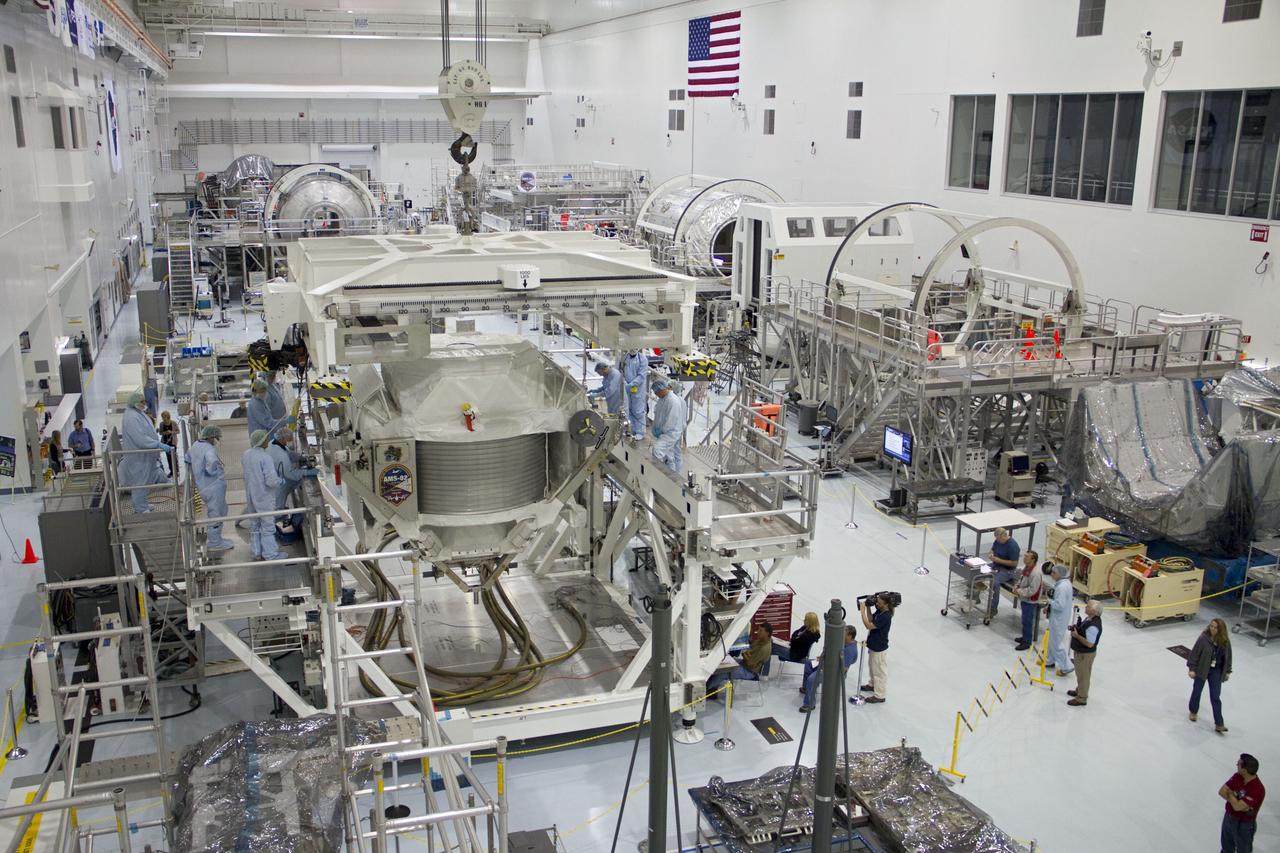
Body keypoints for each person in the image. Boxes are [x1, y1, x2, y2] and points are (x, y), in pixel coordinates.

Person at [121, 390, 171, 514]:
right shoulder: (131, 417)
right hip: (138, 457)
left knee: (145, 481)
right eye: (142, 401)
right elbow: (140, 438)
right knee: (140, 482)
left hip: (145, 456)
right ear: (134, 402)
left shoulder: (137, 412)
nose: (144, 403)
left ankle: (143, 504)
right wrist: (157, 444)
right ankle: (140, 508)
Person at [185, 425, 234, 551]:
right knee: (217, 513)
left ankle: (216, 539)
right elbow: (211, 462)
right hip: (213, 486)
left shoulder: (195, 445)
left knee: (218, 510)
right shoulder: (209, 449)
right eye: (216, 438)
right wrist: (211, 472)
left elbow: (187, 458)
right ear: (211, 437)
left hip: (203, 486)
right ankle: (215, 542)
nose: (217, 440)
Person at [241, 429, 283, 560]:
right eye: (266, 439)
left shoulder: (246, 454)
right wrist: (280, 480)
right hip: (264, 496)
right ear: (261, 441)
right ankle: (270, 554)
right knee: (267, 526)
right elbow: (271, 481)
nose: (267, 442)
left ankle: (257, 552)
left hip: (251, 495)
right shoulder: (265, 457)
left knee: (255, 524)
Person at [1188, 617, 1233, 733]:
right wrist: (1192, 668)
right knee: (1197, 691)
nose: (1212, 629)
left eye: (1215, 627)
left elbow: (1228, 657)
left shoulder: (1225, 641)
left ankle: (1219, 723)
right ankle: (1193, 711)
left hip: (1216, 671)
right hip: (1202, 668)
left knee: (1215, 696)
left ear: (1221, 630)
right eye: (1211, 626)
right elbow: (1194, 654)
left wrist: (1228, 671)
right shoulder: (1203, 639)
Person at [800, 626, 858, 713]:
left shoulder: (850, 650)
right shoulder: (842, 643)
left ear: (850, 636)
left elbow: (843, 669)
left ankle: (809, 704)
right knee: (808, 663)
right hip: (827, 665)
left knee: (812, 679)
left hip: (833, 673)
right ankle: (806, 689)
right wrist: (823, 658)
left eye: (844, 633)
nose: (841, 634)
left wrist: (825, 668)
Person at [707, 623, 773, 696]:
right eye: (758, 629)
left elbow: (749, 662)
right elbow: (748, 650)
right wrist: (746, 653)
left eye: (761, 630)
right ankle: (712, 687)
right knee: (722, 662)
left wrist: (745, 653)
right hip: (744, 663)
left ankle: (707, 689)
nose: (758, 632)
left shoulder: (764, 648)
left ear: (767, 633)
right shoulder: (760, 641)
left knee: (724, 672)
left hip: (749, 671)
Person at [1219, 754, 1265, 853]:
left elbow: (1237, 806)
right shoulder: (1237, 776)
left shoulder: (1257, 789)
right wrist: (1236, 800)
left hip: (1244, 825)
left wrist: (1231, 793)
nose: (1236, 765)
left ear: (1245, 770)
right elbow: (1221, 791)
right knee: (1226, 848)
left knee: (1243, 850)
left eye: (1239, 764)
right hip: (1229, 818)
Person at [267, 428, 317, 509]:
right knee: (276, 507)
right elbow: (291, 474)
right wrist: (306, 472)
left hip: (274, 475)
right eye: (289, 440)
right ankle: (278, 515)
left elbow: (287, 453)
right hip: (278, 482)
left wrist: (299, 457)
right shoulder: (281, 456)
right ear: (283, 439)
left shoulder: (273, 443)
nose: (290, 441)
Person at [1066, 600, 1102, 707]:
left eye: (1088, 606)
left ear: (1094, 611)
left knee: (1083, 676)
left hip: (1085, 654)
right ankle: (1080, 690)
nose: (1086, 607)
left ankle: (1082, 698)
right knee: (1080, 674)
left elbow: (1090, 644)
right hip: (1081, 652)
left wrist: (1077, 636)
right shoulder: (1089, 619)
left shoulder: (1093, 626)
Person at [859, 594, 893, 703]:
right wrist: (868, 606)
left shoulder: (885, 616)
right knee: (872, 667)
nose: (876, 603)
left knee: (879, 671)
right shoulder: (880, 611)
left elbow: (868, 625)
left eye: (879, 602)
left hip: (879, 647)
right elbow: (871, 619)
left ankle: (880, 695)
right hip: (873, 645)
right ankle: (872, 684)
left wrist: (862, 611)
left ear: (886, 604)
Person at [650, 379, 687, 474]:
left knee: (658, 450)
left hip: (670, 433)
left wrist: (661, 430)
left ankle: (661, 474)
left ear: (661, 389)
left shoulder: (673, 401)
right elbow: (658, 414)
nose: (656, 395)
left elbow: (671, 420)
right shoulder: (663, 399)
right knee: (669, 455)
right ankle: (671, 475)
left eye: (656, 393)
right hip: (665, 432)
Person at [1043, 562, 1074, 676]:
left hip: (1058, 618)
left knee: (1056, 643)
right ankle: (1049, 661)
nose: (1051, 575)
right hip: (1058, 617)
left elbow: (1059, 605)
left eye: (1054, 573)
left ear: (1059, 574)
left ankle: (1067, 666)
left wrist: (1049, 601)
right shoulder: (1064, 583)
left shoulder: (1062, 587)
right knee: (1052, 639)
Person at [985, 528, 1021, 616]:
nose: (997, 541)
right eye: (996, 539)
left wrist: (999, 560)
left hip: (1008, 570)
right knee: (977, 571)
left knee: (995, 583)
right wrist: (990, 554)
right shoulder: (998, 541)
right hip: (996, 565)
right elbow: (992, 549)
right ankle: (975, 597)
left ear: (1004, 536)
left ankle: (993, 608)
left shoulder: (1013, 546)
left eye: (998, 539)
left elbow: (1014, 563)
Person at [1012, 550, 1042, 651]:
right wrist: (1017, 586)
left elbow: (1032, 590)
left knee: (1027, 621)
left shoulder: (1036, 573)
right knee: (1024, 620)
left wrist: (1019, 591)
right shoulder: (1027, 567)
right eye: (1024, 556)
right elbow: (1022, 578)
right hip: (1024, 598)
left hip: (1030, 601)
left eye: (1026, 557)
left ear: (1033, 559)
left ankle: (1027, 642)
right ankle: (1025, 637)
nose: (1024, 558)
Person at [621, 351, 648, 440]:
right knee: (627, 408)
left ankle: (640, 432)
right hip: (626, 388)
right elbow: (621, 371)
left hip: (638, 389)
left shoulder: (642, 359)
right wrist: (624, 382)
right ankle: (630, 429)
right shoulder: (625, 357)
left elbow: (642, 375)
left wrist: (632, 384)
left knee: (638, 410)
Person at [157, 412, 177, 477]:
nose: (163, 419)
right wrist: (165, 433)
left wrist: (171, 432)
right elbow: (160, 433)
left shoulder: (173, 423)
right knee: (168, 458)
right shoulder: (161, 424)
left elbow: (178, 431)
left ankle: (176, 471)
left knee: (174, 457)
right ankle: (171, 471)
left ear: (168, 417)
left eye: (164, 417)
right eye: (162, 417)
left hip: (173, 442)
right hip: (165, 443)